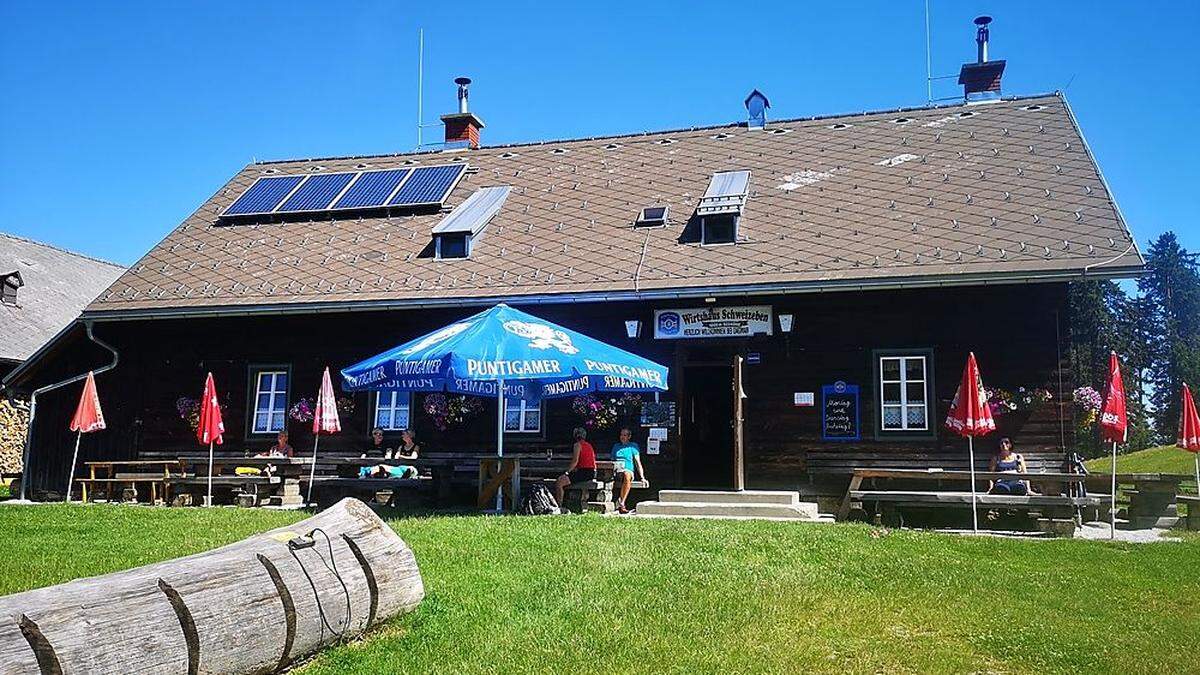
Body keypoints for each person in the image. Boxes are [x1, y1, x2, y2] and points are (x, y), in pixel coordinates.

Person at [554, 427, 596, 508]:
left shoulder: (577, 445)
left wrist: (566, 472)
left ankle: (559, 506)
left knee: (559, 482)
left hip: (585, 472)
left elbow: (575, 461)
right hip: (591, 472)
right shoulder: (589, 445)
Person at [610, 427, 647, 514]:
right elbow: (611, 460)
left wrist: (642, 477)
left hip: (628, 470)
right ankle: (620, 504)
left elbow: (638, 462)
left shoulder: (633, 446)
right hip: (617, 470)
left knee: (627, 475)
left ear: (629, 436)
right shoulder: (616, 446)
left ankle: (622, 503)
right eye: (621, 435)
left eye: (625, 435)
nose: (622, 437)